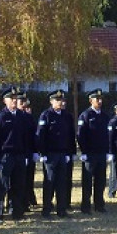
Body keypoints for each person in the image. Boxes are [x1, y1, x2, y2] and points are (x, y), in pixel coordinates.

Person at [36, 89, 75, 218]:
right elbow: (41, 136)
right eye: (58, 100)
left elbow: (70, 135)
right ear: (51, 101)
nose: (61, 102)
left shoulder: (67, 116)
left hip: (63, 154)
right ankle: (46, 210)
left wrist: (71, 152)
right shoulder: (46, 115)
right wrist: (42, 153)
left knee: (62, 183)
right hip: (50, 155)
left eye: (62, 100)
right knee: (49, 182)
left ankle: (61, 210)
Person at [0, 87, 29, 221]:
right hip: (5, 156)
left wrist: (25, 155)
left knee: (18, 185)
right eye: (11, 98)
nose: (14, 101)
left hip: (19, 155)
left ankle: (17, 212)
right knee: (2, 186)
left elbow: (25, 137)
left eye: (15, 98)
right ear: (4, 100)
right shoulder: (0, 116)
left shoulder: (21, 116)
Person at [76, 88, 110, 214]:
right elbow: (80, 135)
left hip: (101, 154)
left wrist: (108, 151)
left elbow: (108, 135)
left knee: (100, 181)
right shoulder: (86, 115)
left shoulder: (105, 116)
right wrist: (83, 151)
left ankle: (99, 205)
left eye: (101, 99)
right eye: (97, 99)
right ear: (91, 101)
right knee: (87, 182)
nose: (100, 101)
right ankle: (85, 206)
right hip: (90, 154)